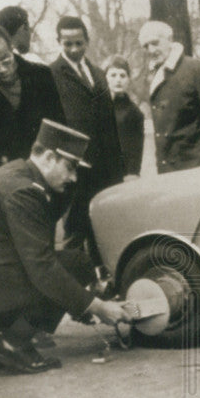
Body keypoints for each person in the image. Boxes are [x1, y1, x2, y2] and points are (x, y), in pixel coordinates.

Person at [0, 119, 130, 374]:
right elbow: (43, 267)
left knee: (61, 268)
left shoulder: (19, 172)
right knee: (72, 266)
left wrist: (77, 300)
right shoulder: (23, 192)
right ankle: (13, 343)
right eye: (70, 167)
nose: (73, 177)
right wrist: (96, 306)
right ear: (50, 157)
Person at [49, 16, 123, 254]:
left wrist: (118, 169)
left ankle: (106, 281)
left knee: (106, 229)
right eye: (67, 44)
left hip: (106, 170)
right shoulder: (50, 75)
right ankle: (76, 286)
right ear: (58, 42)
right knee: (75, 231)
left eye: (79, 43)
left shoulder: (100, 74)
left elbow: (111, 124)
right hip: (74, 171)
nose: (74, 49)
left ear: (87, 41)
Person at [0, 23, 65, 172]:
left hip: (47, 168)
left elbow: (59, 124)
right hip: (5, 174)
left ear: (12, 48)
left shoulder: (41, 75)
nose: (2, 70)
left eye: (6, 61)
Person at [138, 20, 200, 174]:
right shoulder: (155, 76)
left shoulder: (196, 70)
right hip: (170, 173)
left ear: (169, 39)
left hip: (198, 169)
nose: (151, 49)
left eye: (155, 43)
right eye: (146, 46)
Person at [102, 54, 145, 177]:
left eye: (122, 75)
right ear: (105, 77)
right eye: (113, 75)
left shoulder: (134, 113)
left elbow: (136, 151)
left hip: (122, 173)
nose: (118, 80)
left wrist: (132, 173)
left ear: (128, 80)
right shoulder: (96, 107)